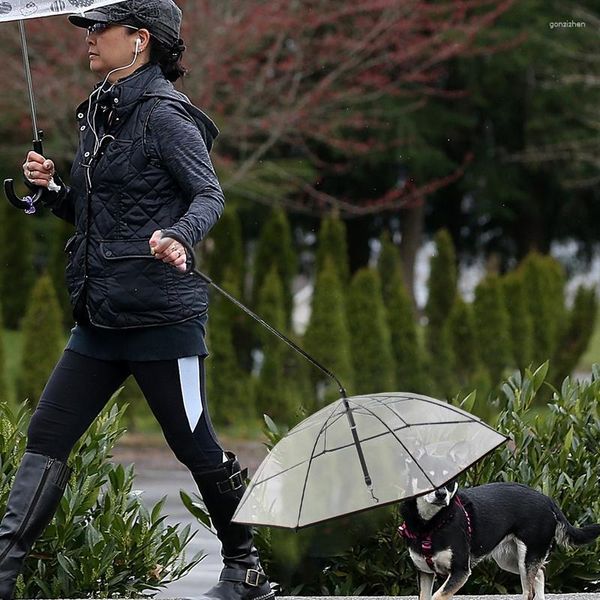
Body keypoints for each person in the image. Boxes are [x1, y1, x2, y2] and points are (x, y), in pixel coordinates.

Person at [0, 2, 274, 600]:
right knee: (46, 434)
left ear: (140, 40)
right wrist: (52, 193)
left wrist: (178, 235)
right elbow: (99, 218)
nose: (90, 38)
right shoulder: (99, 111)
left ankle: (246, 568)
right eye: (90, 27)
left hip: (162, 318)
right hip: (100, 315)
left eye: (102, 28)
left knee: (193, 445)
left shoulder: (164, 115)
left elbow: (208, 194)